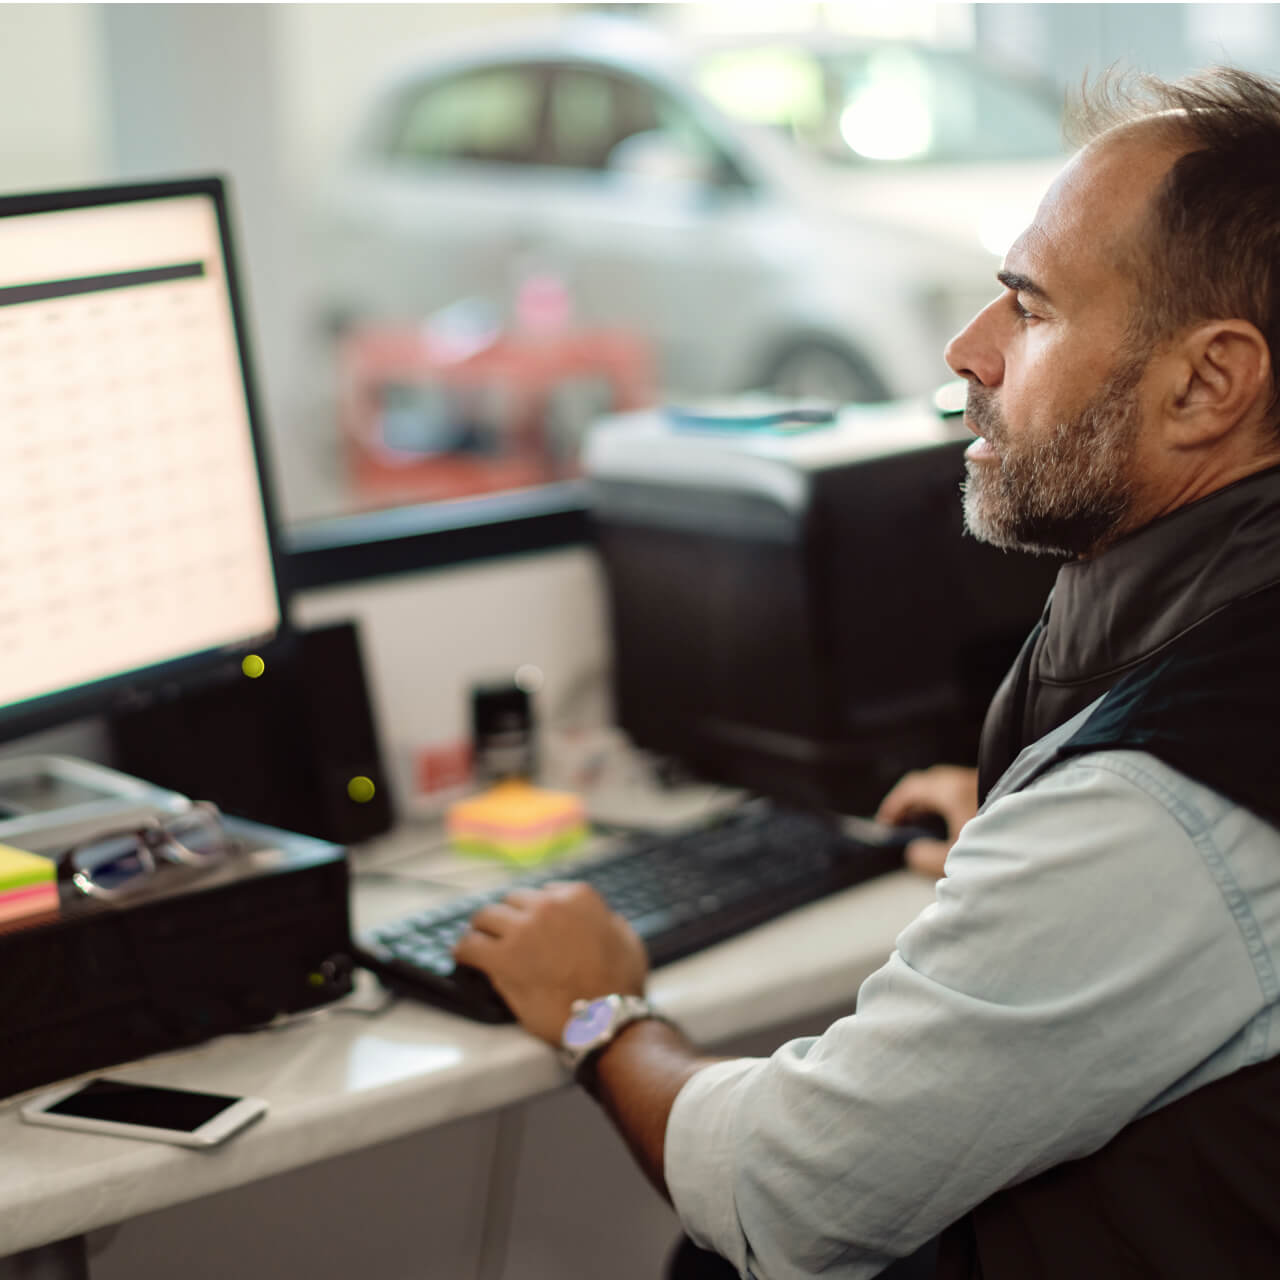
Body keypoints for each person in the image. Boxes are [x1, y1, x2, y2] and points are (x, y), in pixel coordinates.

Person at [454, 67, 1280, 1278]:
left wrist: (600, 1010)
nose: (966, 350)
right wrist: (1033, 838)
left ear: (1205, 383)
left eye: (1028, 308)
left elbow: (781, 1191)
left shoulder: (1163, 807)